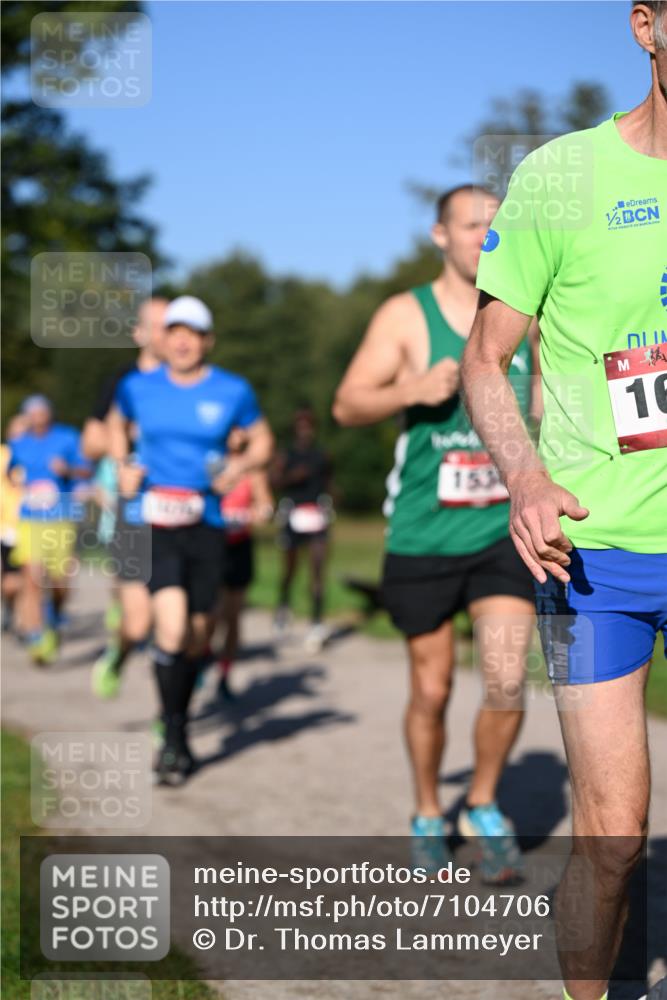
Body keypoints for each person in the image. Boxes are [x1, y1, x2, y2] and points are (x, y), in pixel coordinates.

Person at [462, 4, 666, 998]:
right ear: (644, 26)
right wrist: (527, 476)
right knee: (614, 833)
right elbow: (485, 359)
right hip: (595, 557)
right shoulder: (560, 176)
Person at [333, 184, 540, 880]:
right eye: (469, 224)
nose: (484, 236)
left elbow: (551, 402)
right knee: (431, 689)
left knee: (507, 678)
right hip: (422, 534)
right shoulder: (404, 315)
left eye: (494, 225)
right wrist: (409, 391)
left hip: (498, 531)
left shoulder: (526, 313)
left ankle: (481, 803)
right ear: (438, 235)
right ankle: (427, 809)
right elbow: (346, 404)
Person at [108, 295, 273, 784]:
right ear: (163, 338)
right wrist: (123, 466)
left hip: (207, 523)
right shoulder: (137, 386)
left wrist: (240, 466)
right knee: (172, 625)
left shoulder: (232, 390)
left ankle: (176, 719)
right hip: (154, 519)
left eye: (193, 332)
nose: (182, 340)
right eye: (174, 330)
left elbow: (262, 439)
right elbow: (117, 424)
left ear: (207, 341)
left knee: (200, 633)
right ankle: (175, 736)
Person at [86, 297, 168, 699]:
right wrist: (127, 434)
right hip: (129, 506)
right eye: (156, 325)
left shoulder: (191, 383)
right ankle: (118, 653)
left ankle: (170, 708)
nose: (165, 334)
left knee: (178, 622)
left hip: (181, 511)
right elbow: (90, 442)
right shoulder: (122, 382)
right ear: (138, 333)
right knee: (139, 622)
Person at [7, 396, 91, 664]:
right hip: (31, 518)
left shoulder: (67, 438)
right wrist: (20, 486)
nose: (37, 417)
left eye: (41, 412)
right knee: (31, 578)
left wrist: (67, 470)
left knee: (59, 581)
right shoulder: (19, 443)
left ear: (49, 413)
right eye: (32, 413)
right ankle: (36, 637)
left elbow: (86, 471)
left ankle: (54, 615)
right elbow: (10, 473)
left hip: (61, 517)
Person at [215, 427, 274, 700]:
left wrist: (257, 513)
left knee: (232, 616)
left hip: (239, 546)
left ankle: (224, 675)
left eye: (241, 431)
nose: (236, 436)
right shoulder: (209, 462)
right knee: (208, 614)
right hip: (211, 545)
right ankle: (198, 659)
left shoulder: (253, 470)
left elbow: (265, 506)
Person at [272, 408, 334, 653]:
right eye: (301, 426)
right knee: (290, 568)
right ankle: (283, 605)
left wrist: (335, 497)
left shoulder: (322, 455)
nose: (305, 430)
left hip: (317, 514)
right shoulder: (286, 455)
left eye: (309, 426)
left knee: (318, 570)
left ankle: (317, 622)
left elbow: (329, 480)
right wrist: (291, 477)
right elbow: (274, 480)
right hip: (293, 514)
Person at [0, 415, 28, 633]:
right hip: (3, 527)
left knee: (24, 577)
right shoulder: (2, 455)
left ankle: (23, 620)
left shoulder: (34, 456)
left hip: (27, 525)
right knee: (7, 580)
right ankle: (10, 610)